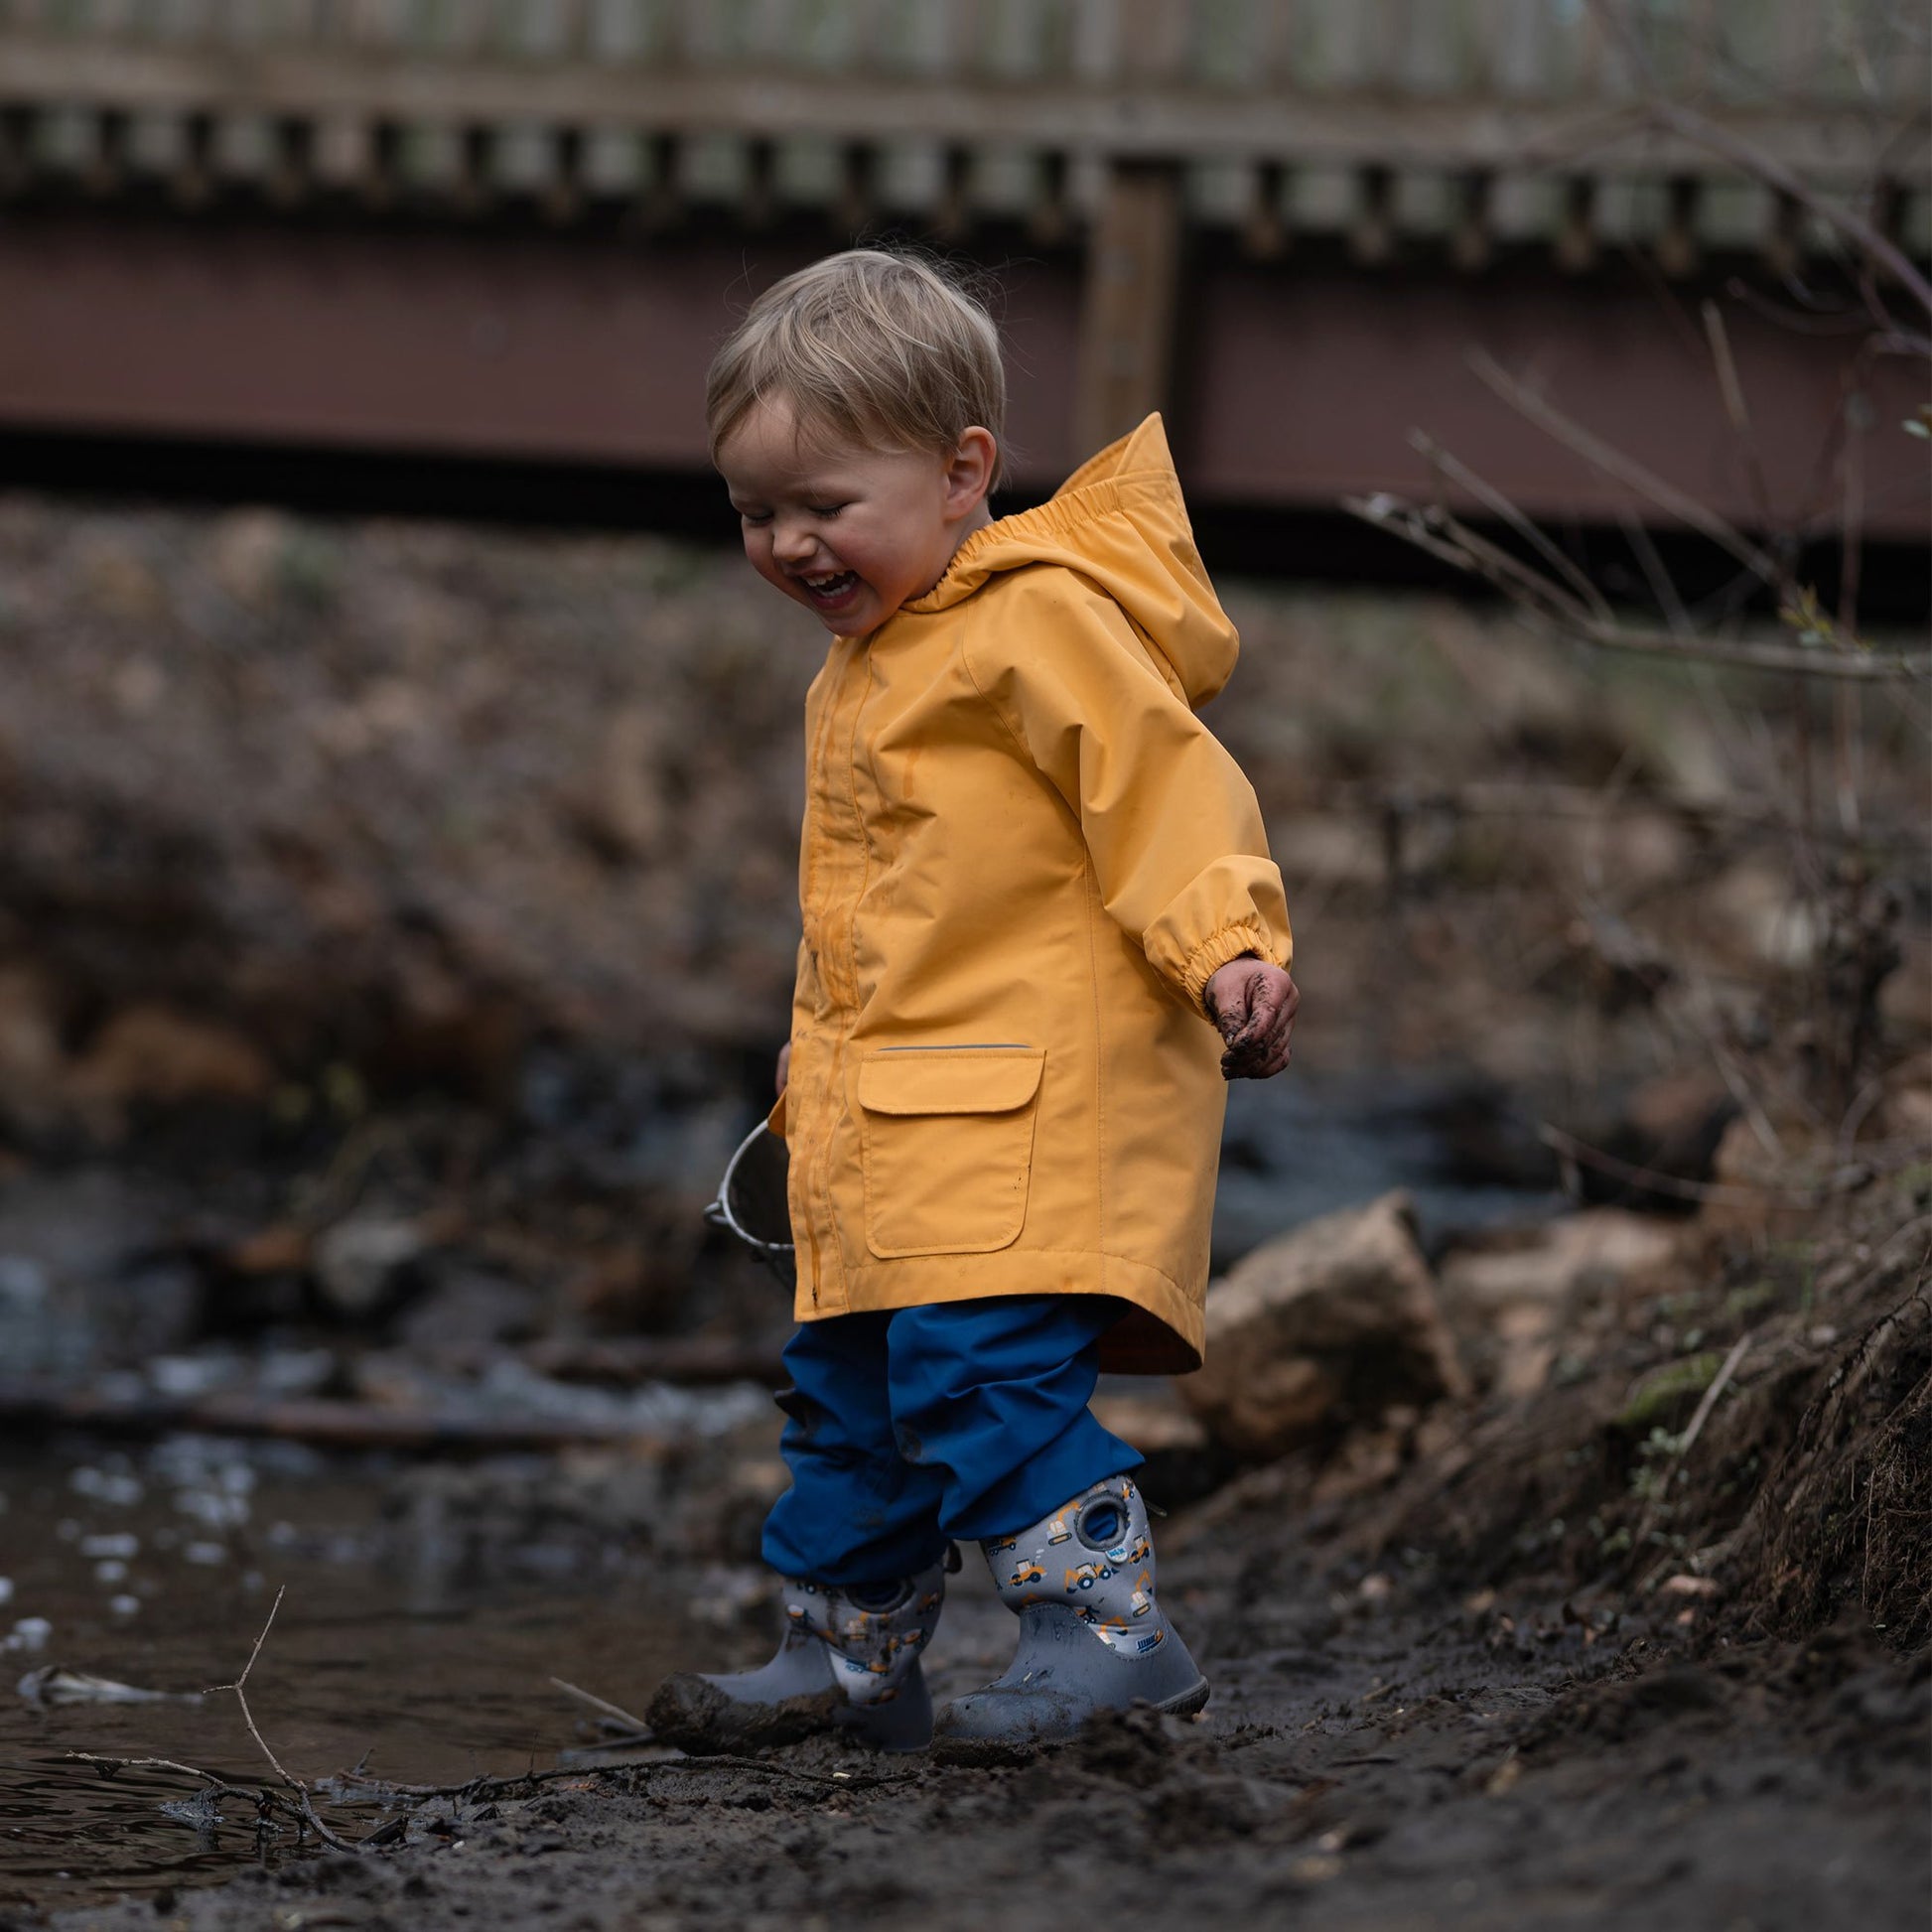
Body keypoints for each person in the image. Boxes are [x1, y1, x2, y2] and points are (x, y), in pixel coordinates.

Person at [647, 248, 1297, 1760]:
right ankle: (847, 1656)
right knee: (848, 1392)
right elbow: (881, 931)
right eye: (754, 511)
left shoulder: (1033, 623)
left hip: (1020, 1119)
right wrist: (808, 1096)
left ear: (961, 473)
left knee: (980, 1375)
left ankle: (1109, 1636)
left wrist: (1227, 943)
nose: (789, 543)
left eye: (823, 504)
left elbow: (1165, 790)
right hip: (889, 1128)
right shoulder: (866, 668)